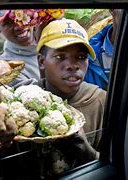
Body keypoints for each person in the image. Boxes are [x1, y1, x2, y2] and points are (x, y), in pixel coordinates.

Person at [33, 18, 107, 177]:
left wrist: (82, 147)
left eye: (81, 57)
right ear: (41, 61)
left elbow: (111, 165)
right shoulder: (27, 100)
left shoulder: (101, 101)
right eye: (60, 57)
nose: (72, 65)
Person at [0, 10, 40, 86]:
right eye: (9, 23)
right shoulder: (5, 69)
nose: (19, 26)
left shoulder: (55, 38)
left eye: (21, 16)